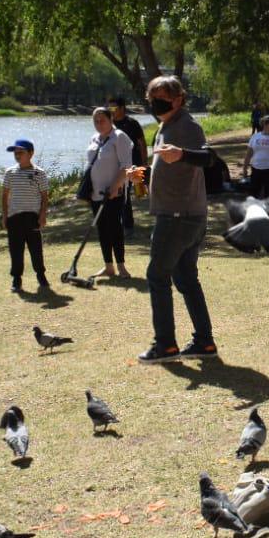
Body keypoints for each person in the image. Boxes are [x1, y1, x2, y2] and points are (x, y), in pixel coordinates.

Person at [138, 75, 218, 363]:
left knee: (157, 276)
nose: (155, 103)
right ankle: (204, 343)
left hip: (178, 217)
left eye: (162, 98)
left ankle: (165, 345)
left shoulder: (187, 125)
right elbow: (168, 164)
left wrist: (182, 154)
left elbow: (208, 158)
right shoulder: (165, 127)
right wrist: (143, 174)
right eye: (152, 98)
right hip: (185, 215)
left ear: (179, 99)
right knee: (185, 278)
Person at [83, 107, 132, 280]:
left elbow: (126, 166)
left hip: (113, 193)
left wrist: (114, 187)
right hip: (95, 193)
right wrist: (86, 188)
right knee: (102, 229)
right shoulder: (94, 138)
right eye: (95, 120)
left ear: (111, 119)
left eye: (102, 119)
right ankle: (108, 266)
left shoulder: (119, 137)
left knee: (114, 228)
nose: (98, 123)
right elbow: (90, 164)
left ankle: (121, 266)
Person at [1, 138, 50, 294]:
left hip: (32, 217)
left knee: (36, 249)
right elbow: (4, 196)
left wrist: (42, 215)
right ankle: (17, 279)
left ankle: (41, 275)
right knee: (15, 250)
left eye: (21, 152)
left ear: (31, 153)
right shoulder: (10, 172)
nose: (17, 155)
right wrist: (5, 216)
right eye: (15, 153)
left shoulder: (39, 173)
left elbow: (44, 197)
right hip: (14, 217)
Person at [108, 97, 149, 235]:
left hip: (132, 164)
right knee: (117, 194)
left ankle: (128, 226)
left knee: (126, 193)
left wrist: (144, 163)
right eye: (109, 108)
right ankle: (118, 223)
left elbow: (142, 143)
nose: (111, 111)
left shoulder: (132, 123)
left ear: (122, 108)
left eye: (113, 108)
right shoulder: (109, 125)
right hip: (115, 165)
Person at [243, 115, 269, 199]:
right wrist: (245, 168)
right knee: (253, 195)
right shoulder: (255, 137)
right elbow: (248, 154)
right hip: (256, 169)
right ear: (265, 125)